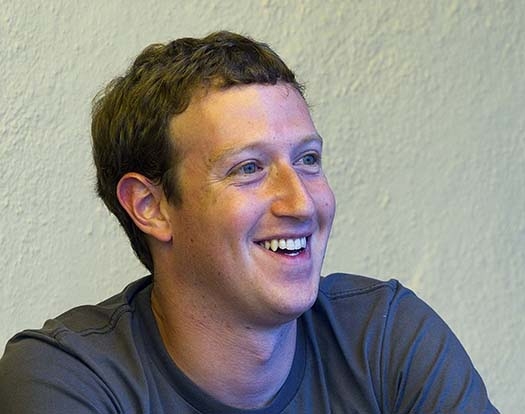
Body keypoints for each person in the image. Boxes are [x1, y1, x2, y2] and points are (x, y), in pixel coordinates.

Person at [0, 31, 499, 413]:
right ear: (150, 206)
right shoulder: (68, 378)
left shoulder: (387, 338)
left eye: (307, 159)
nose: (301, 203)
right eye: (248, 168)